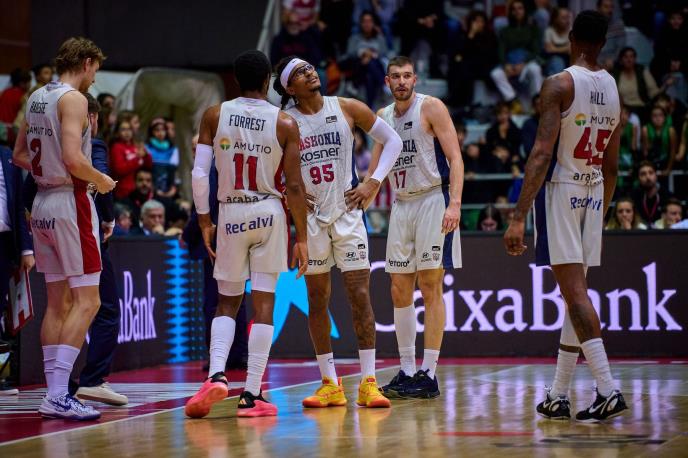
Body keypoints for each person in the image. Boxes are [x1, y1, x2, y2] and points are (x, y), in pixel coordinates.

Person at [504, 11, 629, 422]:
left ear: (571, 38)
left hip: (562, 189)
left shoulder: (559, 83)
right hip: (594, 190)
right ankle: (558, 394)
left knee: (574, 295)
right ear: (603, 43)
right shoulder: (613, 86)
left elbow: (542, 152)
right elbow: (612, 166)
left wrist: (518, 215)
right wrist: (600, 210)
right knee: (576, 296)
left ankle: (607, 389)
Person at [186, 50, 309, 418]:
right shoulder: (285, 122)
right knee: (264, 305)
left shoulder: (215, 115)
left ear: (236, 80)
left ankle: (216, 374)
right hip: (269, 212)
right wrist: (302, 237)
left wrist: (204, 220)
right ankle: (252, 393)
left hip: (231, 211)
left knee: (227, 302)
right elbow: (295, 187)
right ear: (268, 81)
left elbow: (198, 174)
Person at [274, 55, 402, 408]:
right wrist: (287, 195)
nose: (310, 72)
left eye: (309, 67)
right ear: (290, 88)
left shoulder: (346, 107)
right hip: (311, 221)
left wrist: (373, 182)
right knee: (317, 300)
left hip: (347, 215)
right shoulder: (284, 122)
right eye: (300, 72)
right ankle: (330, 383)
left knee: (360, 296)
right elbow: (272, 170)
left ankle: (368, 382)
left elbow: (393, 141)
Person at [12, 37, 116, 420]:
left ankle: (53, 393)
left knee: (58, 303)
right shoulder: (74, 100)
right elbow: (73, 159)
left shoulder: (37, 96)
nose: (94, 79)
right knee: (89, 301)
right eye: (95, 70)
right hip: (71, 202)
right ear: (86, 63)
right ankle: (58, 394)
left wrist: (50, 169)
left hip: (41, 203)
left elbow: (20, 154)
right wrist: (100, 180)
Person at [372, 56, 463, 399]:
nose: (401, 81)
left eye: (407, 76)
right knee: (398, 288)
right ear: (387, 81)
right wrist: (357, 199)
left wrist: (455, 204)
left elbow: (455, 158)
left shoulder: (431, 107)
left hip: (432, 199)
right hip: (401, 203)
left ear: (415, 79)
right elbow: (375, 172)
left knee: (430, 284)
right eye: (396, 76)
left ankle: (429, 372)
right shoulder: (382, 117)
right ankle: (408, 369)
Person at [0, 144, 34, 395]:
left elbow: (20, 204)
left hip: (3, 242)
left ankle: (0, 377)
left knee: (0, 308)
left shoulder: (7, 156)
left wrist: (26, 249)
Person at [490, 0, 544, 108]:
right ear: (510, 12)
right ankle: (513, 102)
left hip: (526, 63)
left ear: (525, 11)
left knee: (535, 69)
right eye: (514, 9)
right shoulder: (504, 31)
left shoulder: (533, 29)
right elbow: (501, 51)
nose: (517, 11)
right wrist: (506, 65)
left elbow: (536, 51)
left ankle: (537, 102)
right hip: (510, 64)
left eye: (520, 8)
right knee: (495, 74)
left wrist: (523, 63)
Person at [613, 47, 661, 122]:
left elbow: (653, 91)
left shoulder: (642, 71)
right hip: (623, 109)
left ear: (635, 59)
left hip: (641, 108)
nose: (629, 60)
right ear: (621, 59)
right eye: (626, 57)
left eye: (631, 56)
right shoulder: (616, 73)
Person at [110, 119, 152, 200]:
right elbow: (120, 169)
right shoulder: (116, 147)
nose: (127, 132)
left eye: (129, 129)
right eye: (123, 129)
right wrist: (137, 158)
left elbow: (148, 167)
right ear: (117, 132)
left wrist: (146, 155)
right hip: (124, 192)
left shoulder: (136, 146)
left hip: (140, 191)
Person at [146, 118, 179, 199]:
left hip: (168, 190)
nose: (160, 133)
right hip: (150, 189)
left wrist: (172, 189)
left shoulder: (173, 149)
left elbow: (173, 172)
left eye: (163, 130)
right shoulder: (146, 148)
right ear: (151, 132)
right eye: (157, 130)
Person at [641, 105, 677, 176]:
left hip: (666, 162)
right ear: (650, 117)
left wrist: (668, 169)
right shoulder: (645, 129)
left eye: (660, 115)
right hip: (651, 162)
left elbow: (673, 152)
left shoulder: (671, 130)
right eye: (654, 116)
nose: (658, 118)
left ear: (665, 117)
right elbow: (645, 152)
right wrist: (649, 169)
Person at [632, 161, 670, 226]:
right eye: (643, 174)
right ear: (638, 178)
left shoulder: (667, 196)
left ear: (656, 175)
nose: (648, 177)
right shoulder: (633, 197)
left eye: (651, 173)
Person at [543, 7, 572, 76]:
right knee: (557, 61)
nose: (567, 21)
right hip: (551, 61)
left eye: (568, 17)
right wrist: (565, 48)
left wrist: (555, 48)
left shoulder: (571, 31)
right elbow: (548, 49)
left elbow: (570, 50)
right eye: (563, 18)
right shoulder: (549, 31)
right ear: (555, 19)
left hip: (569, 60)